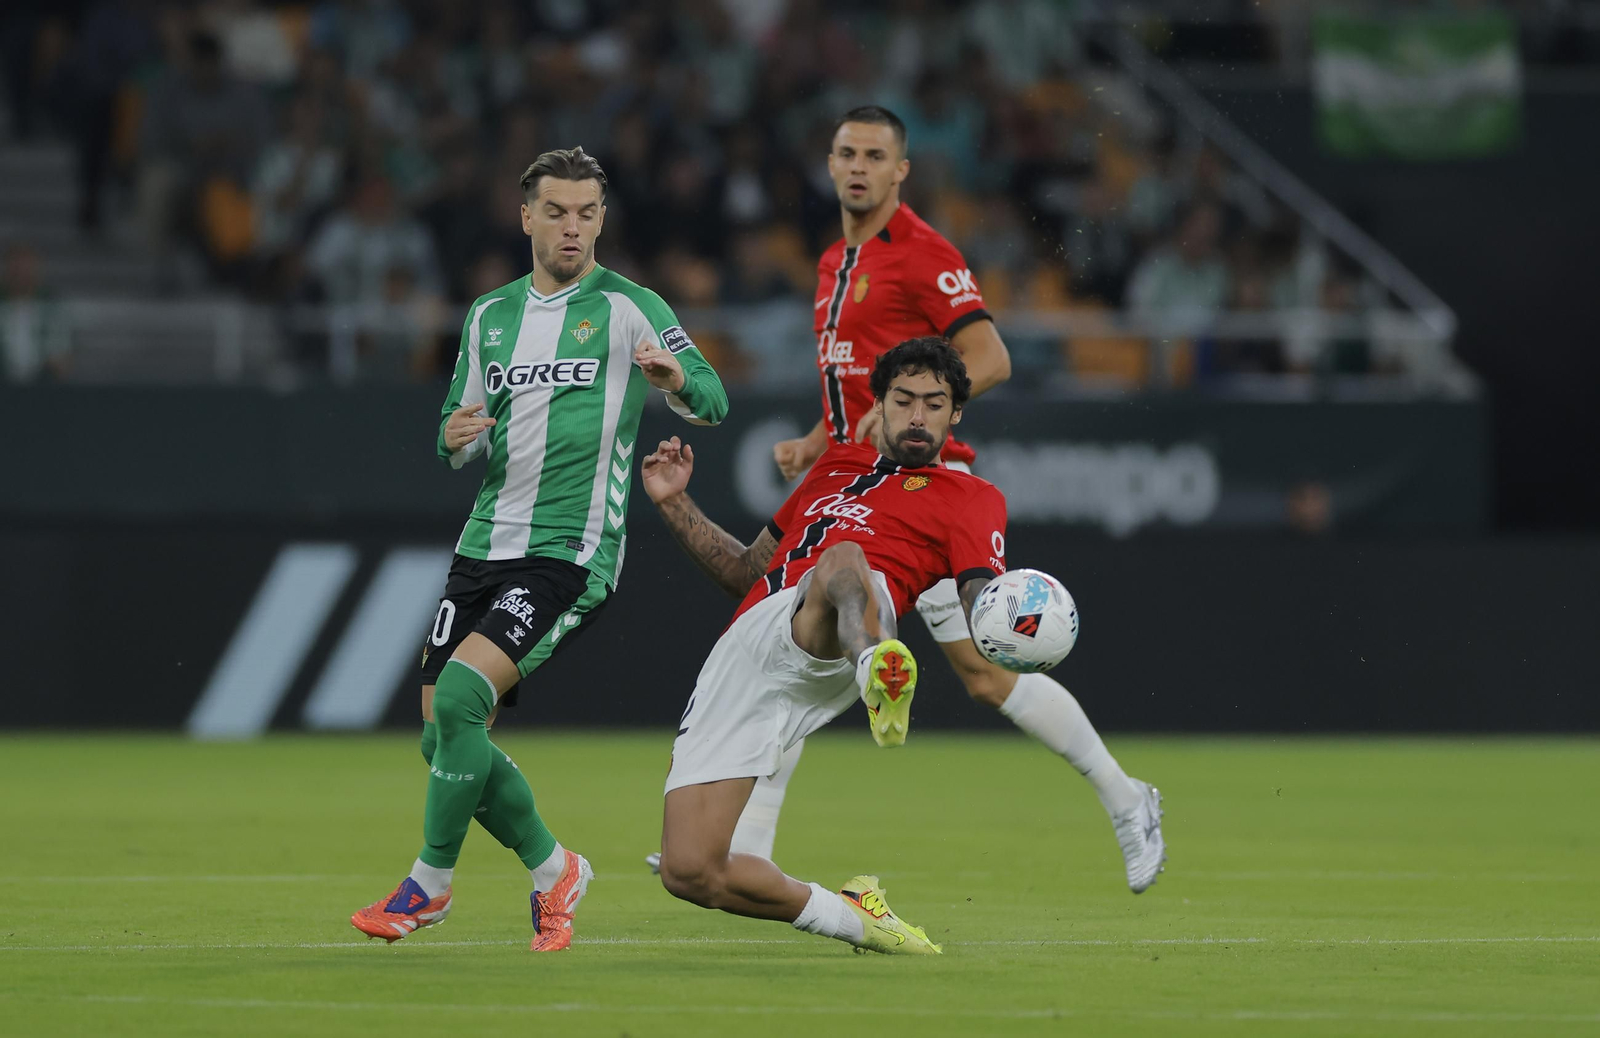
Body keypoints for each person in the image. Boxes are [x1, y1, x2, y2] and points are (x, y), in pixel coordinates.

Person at [649, 106, 1165, 893]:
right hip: (855, 478)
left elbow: (989, 358)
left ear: (901, 172)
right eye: (846, 152)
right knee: (808, 638)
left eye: (875, 155)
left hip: (920, 489)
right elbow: (861, 383)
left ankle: (1128, 799)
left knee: (869, 647)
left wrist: (893, 421)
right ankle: (738, 847)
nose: (858, 166)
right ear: (829, 163)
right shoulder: (831, 261)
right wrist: (819, 441)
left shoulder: (924, 253)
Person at [350, 147, 729, 951]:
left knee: (457, 705)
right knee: (442, 735)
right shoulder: (490, 315)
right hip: (483, 544)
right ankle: (554, 867)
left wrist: (675, 379)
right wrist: (452, 435)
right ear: (526, 217)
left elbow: (715, 400)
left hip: (572, 549)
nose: (572, 227)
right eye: (556, 211)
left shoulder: (632, 306)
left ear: (601, 218)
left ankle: (430, 886)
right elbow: (455, 435)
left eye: (587, 212)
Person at [646, 338, 1008, 954]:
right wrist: (675, 503)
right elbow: (746, 570)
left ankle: (877, 666)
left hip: (852, 623)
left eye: (935, 403)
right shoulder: (836, 464)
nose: (918, 415)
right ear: (881, 404)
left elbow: (981, 597)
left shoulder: (973, 497)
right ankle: (855, 918)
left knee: (843, 559)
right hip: (757, 637)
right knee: (691, 871)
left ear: (956, 416)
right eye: (904, 400)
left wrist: (1010, 629)